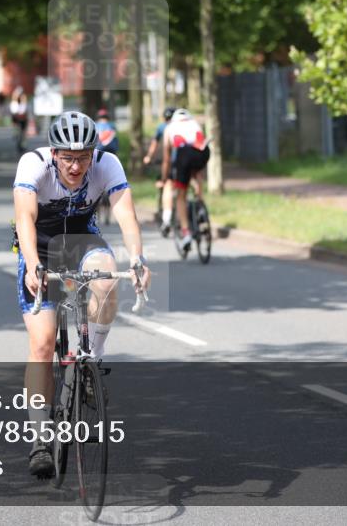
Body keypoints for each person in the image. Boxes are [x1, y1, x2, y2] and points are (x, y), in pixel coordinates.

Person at [13, 111, 151, 478]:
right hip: (40, 248)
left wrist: (137, 259)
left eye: (84, 157)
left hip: (82, 241)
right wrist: (32, 264)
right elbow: (24, 217)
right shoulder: (33, 164)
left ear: (94, 154)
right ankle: (40, 438)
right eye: (68, 158)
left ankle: (92, 362)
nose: (76, 167)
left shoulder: (108, 164)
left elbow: (125, 213)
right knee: (43, 343)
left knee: (106, 278)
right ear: (54, 153)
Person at [161, 109, 210, 249]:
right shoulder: (195, 123)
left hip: (184, 154)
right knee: (197, 173)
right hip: (203, 152)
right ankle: (200, 204)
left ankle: (186, 232)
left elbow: (166, 159)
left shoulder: (169, 128)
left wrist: (164, 177)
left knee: (181, 196)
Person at [143, 107, 176, 224]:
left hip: (167, 160)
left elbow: (154, 144)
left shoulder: (162, 127)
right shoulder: (180, 126)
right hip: (184, 160)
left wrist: (148, 157)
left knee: (165, 183)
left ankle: (166, 217)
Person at [9, 88, 29, 154]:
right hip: (17, 121)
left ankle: (22, 145)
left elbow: (24, 111)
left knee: (22, 134)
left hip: (23, 120)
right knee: (19, 134)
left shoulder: (23, 102)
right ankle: (19, 145)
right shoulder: (14, 103)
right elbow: (14, 113)